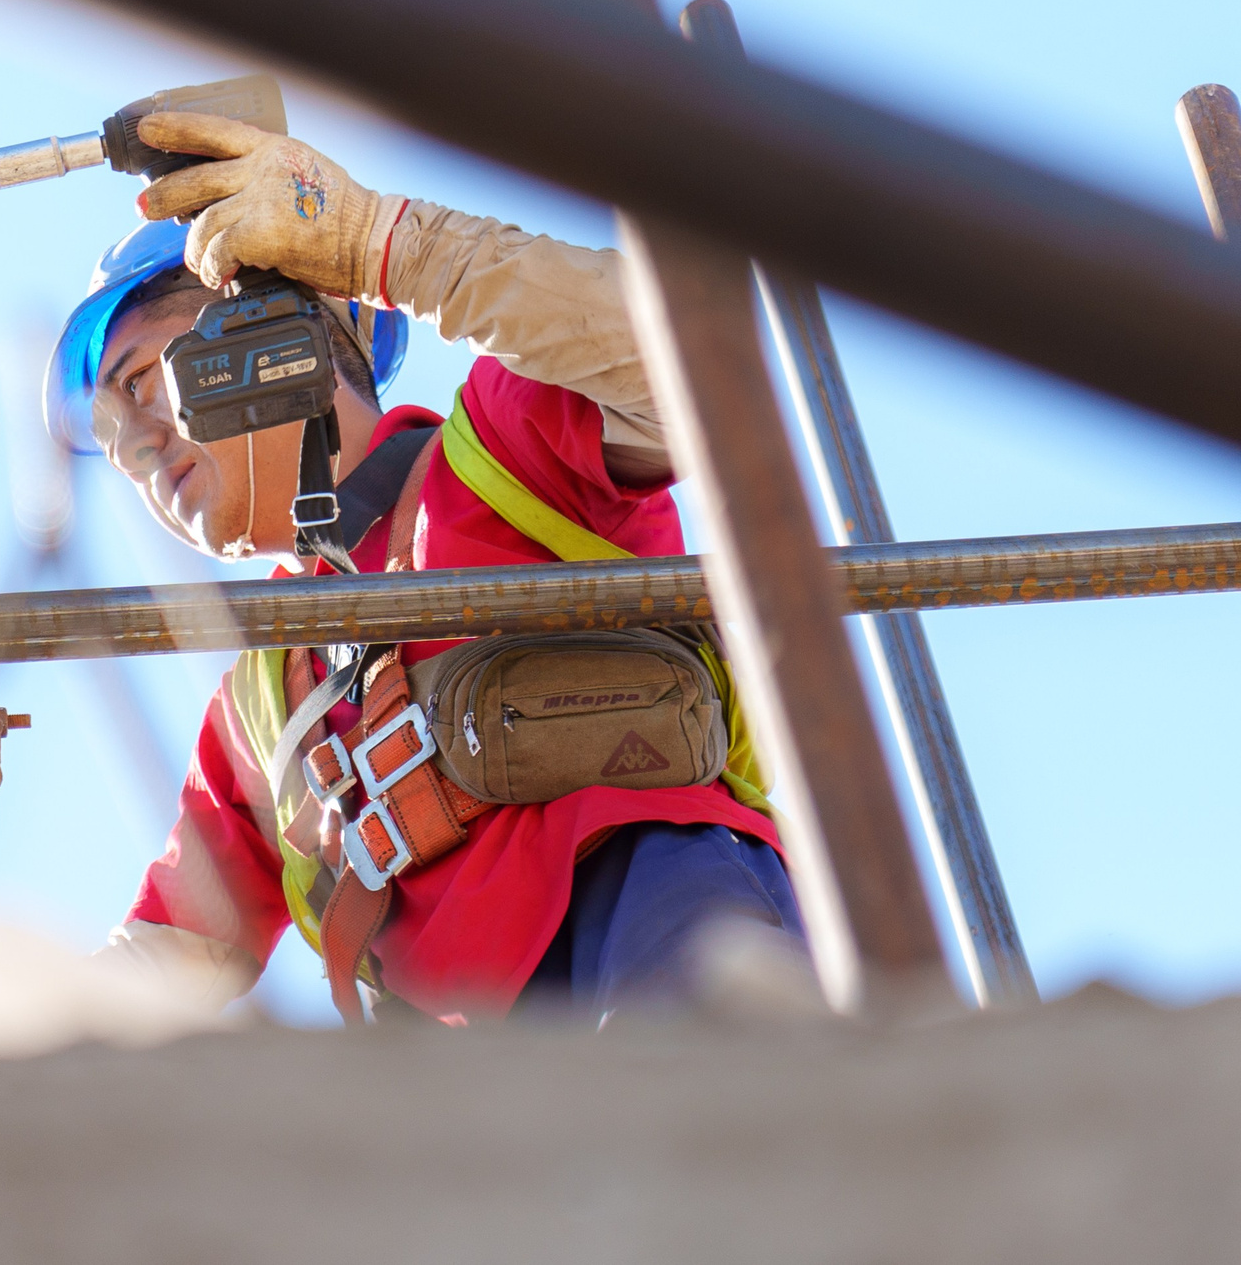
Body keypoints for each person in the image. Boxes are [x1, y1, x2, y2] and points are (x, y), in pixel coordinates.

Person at [60, 105, 809, 1026]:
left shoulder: (508, 449)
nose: (131, 448)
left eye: (137, 383)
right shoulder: (261, 705)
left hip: (660, 934)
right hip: (480, 1087)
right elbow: (165, 958)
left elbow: (692, 359)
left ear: (262, 317)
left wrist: (378, 243)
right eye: (108, 436)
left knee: (714, 1082)